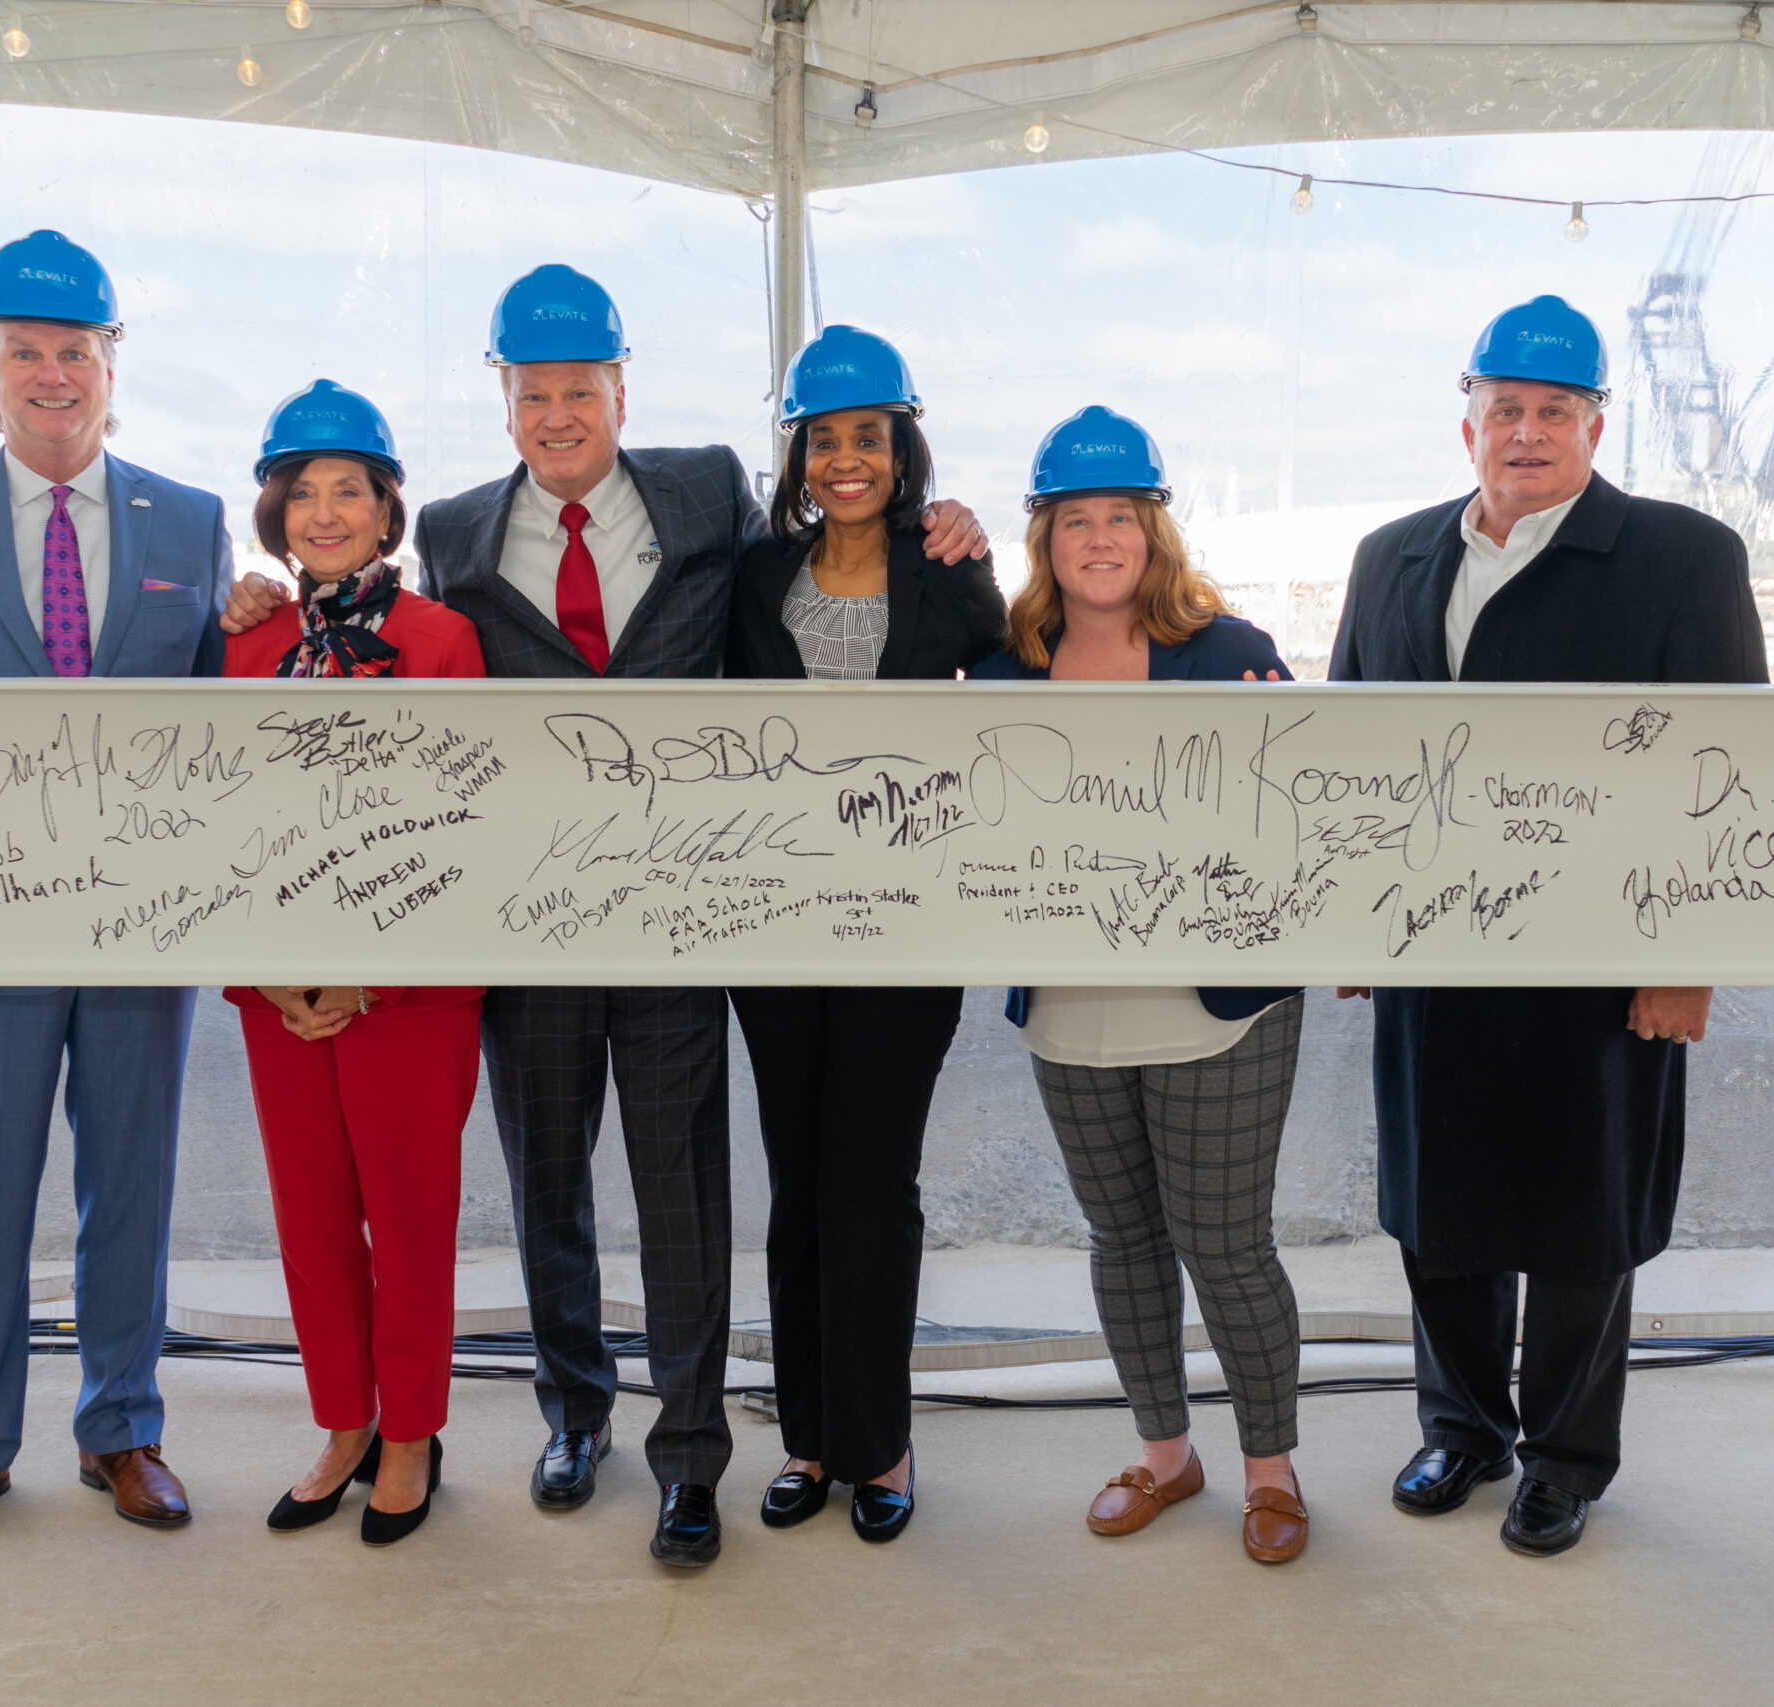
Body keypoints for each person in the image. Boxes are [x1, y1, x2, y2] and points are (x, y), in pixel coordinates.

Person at [411, 265, 989, 1567]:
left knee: (687, 1194)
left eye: (582, 388)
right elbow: (403, 669)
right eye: (533, 392)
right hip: (544, 924)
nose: (559, 414)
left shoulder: (705, 493)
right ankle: (574, 1415)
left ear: (624, 389)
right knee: (548, 1179)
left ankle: (692, 1456)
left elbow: (978, 652)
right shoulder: (451, 533)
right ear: (504, 401)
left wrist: (954, 523)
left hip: (696, 914)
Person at [1329, 295, 1766, 1557]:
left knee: (1584, 1218)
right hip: (1432, 954)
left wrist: (1686, 959)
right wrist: (1358, 928)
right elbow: (1353, 762)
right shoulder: (1392, 556)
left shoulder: (1681, 558)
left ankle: (1565, 1461)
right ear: (1466, 418)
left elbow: (1727, 772)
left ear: (1595, 422)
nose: (1526, 433)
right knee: (1438, 1205)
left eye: (1554, 413)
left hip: (1599, 961)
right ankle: (1460, 1428)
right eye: (1505, 409)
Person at [0, 231, 233, 1559]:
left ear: (110, 367)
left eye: (76, 350)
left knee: (131, 1179)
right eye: (26, 350)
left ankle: (122, 1423)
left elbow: (220, 739)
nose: (52, 373)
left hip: (139, 922)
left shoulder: (187, 521)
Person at [971, 407, 1311, 1565]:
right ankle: (1166, 1455)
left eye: (1122, 516)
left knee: (1225, 1245)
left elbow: (1301, 812)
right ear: (1045, 538)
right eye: (1077, 520)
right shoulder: (1003, 663)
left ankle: (1272, 1472)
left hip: (1213, 1005)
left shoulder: (1230, 649)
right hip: (1070, 1003)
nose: (1101, 539)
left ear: (1154, 532)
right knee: (1122, 1241)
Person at [722, 327, 1006, 1544]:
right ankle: (806, 1438)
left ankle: (879, 1442)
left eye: (868, 439)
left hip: (904, 923)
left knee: (871, 1180)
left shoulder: (949, 574)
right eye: (825, 438)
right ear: (796, 452)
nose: (847, 459)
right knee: (797, 1181)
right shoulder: (751, 577)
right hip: (777, 923)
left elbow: (1022, 724)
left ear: (903, 450)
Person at [220, 381, 486, 1546]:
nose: (324, 513)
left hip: (406, 996)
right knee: (312, 1216)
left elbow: (463, 834)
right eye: (302, 493)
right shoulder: (243, 646)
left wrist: (374, 977)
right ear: (274, 513)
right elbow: (211, 825)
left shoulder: (440, 641)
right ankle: (343, 1421)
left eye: (350, 491)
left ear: (389, 512)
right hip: (280, 994)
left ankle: (414, 1430)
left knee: (410, 1214)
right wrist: (268, 972)